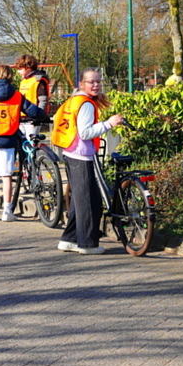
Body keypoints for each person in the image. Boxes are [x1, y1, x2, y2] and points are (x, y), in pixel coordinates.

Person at [51, 67, 123, 254]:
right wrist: (109, 123)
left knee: (78, 200)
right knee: (89, 201)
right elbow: (85, 132)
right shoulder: (86, 104)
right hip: (81, 155)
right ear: (81, 84)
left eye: (98, 81)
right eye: (91, 82)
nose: (96, 85)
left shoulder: (74, 100)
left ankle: (69, 239)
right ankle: (87, 244)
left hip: (70, 152)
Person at [0, 64, 46, 221]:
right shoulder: (17, 95)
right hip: (9, 139)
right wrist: (44, 116)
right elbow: (32, 111)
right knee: (6, 176)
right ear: (11, 76)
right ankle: (7, 211)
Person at [14, 54, 50, 138]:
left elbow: (43, 99)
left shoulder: (39, 80)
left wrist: (39, 116)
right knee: (21, 143)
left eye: (20, 69)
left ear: (28, 67)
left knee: (31, 143)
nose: (18, 72)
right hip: (22, 117)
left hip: (33, 117)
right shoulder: (24, 80)